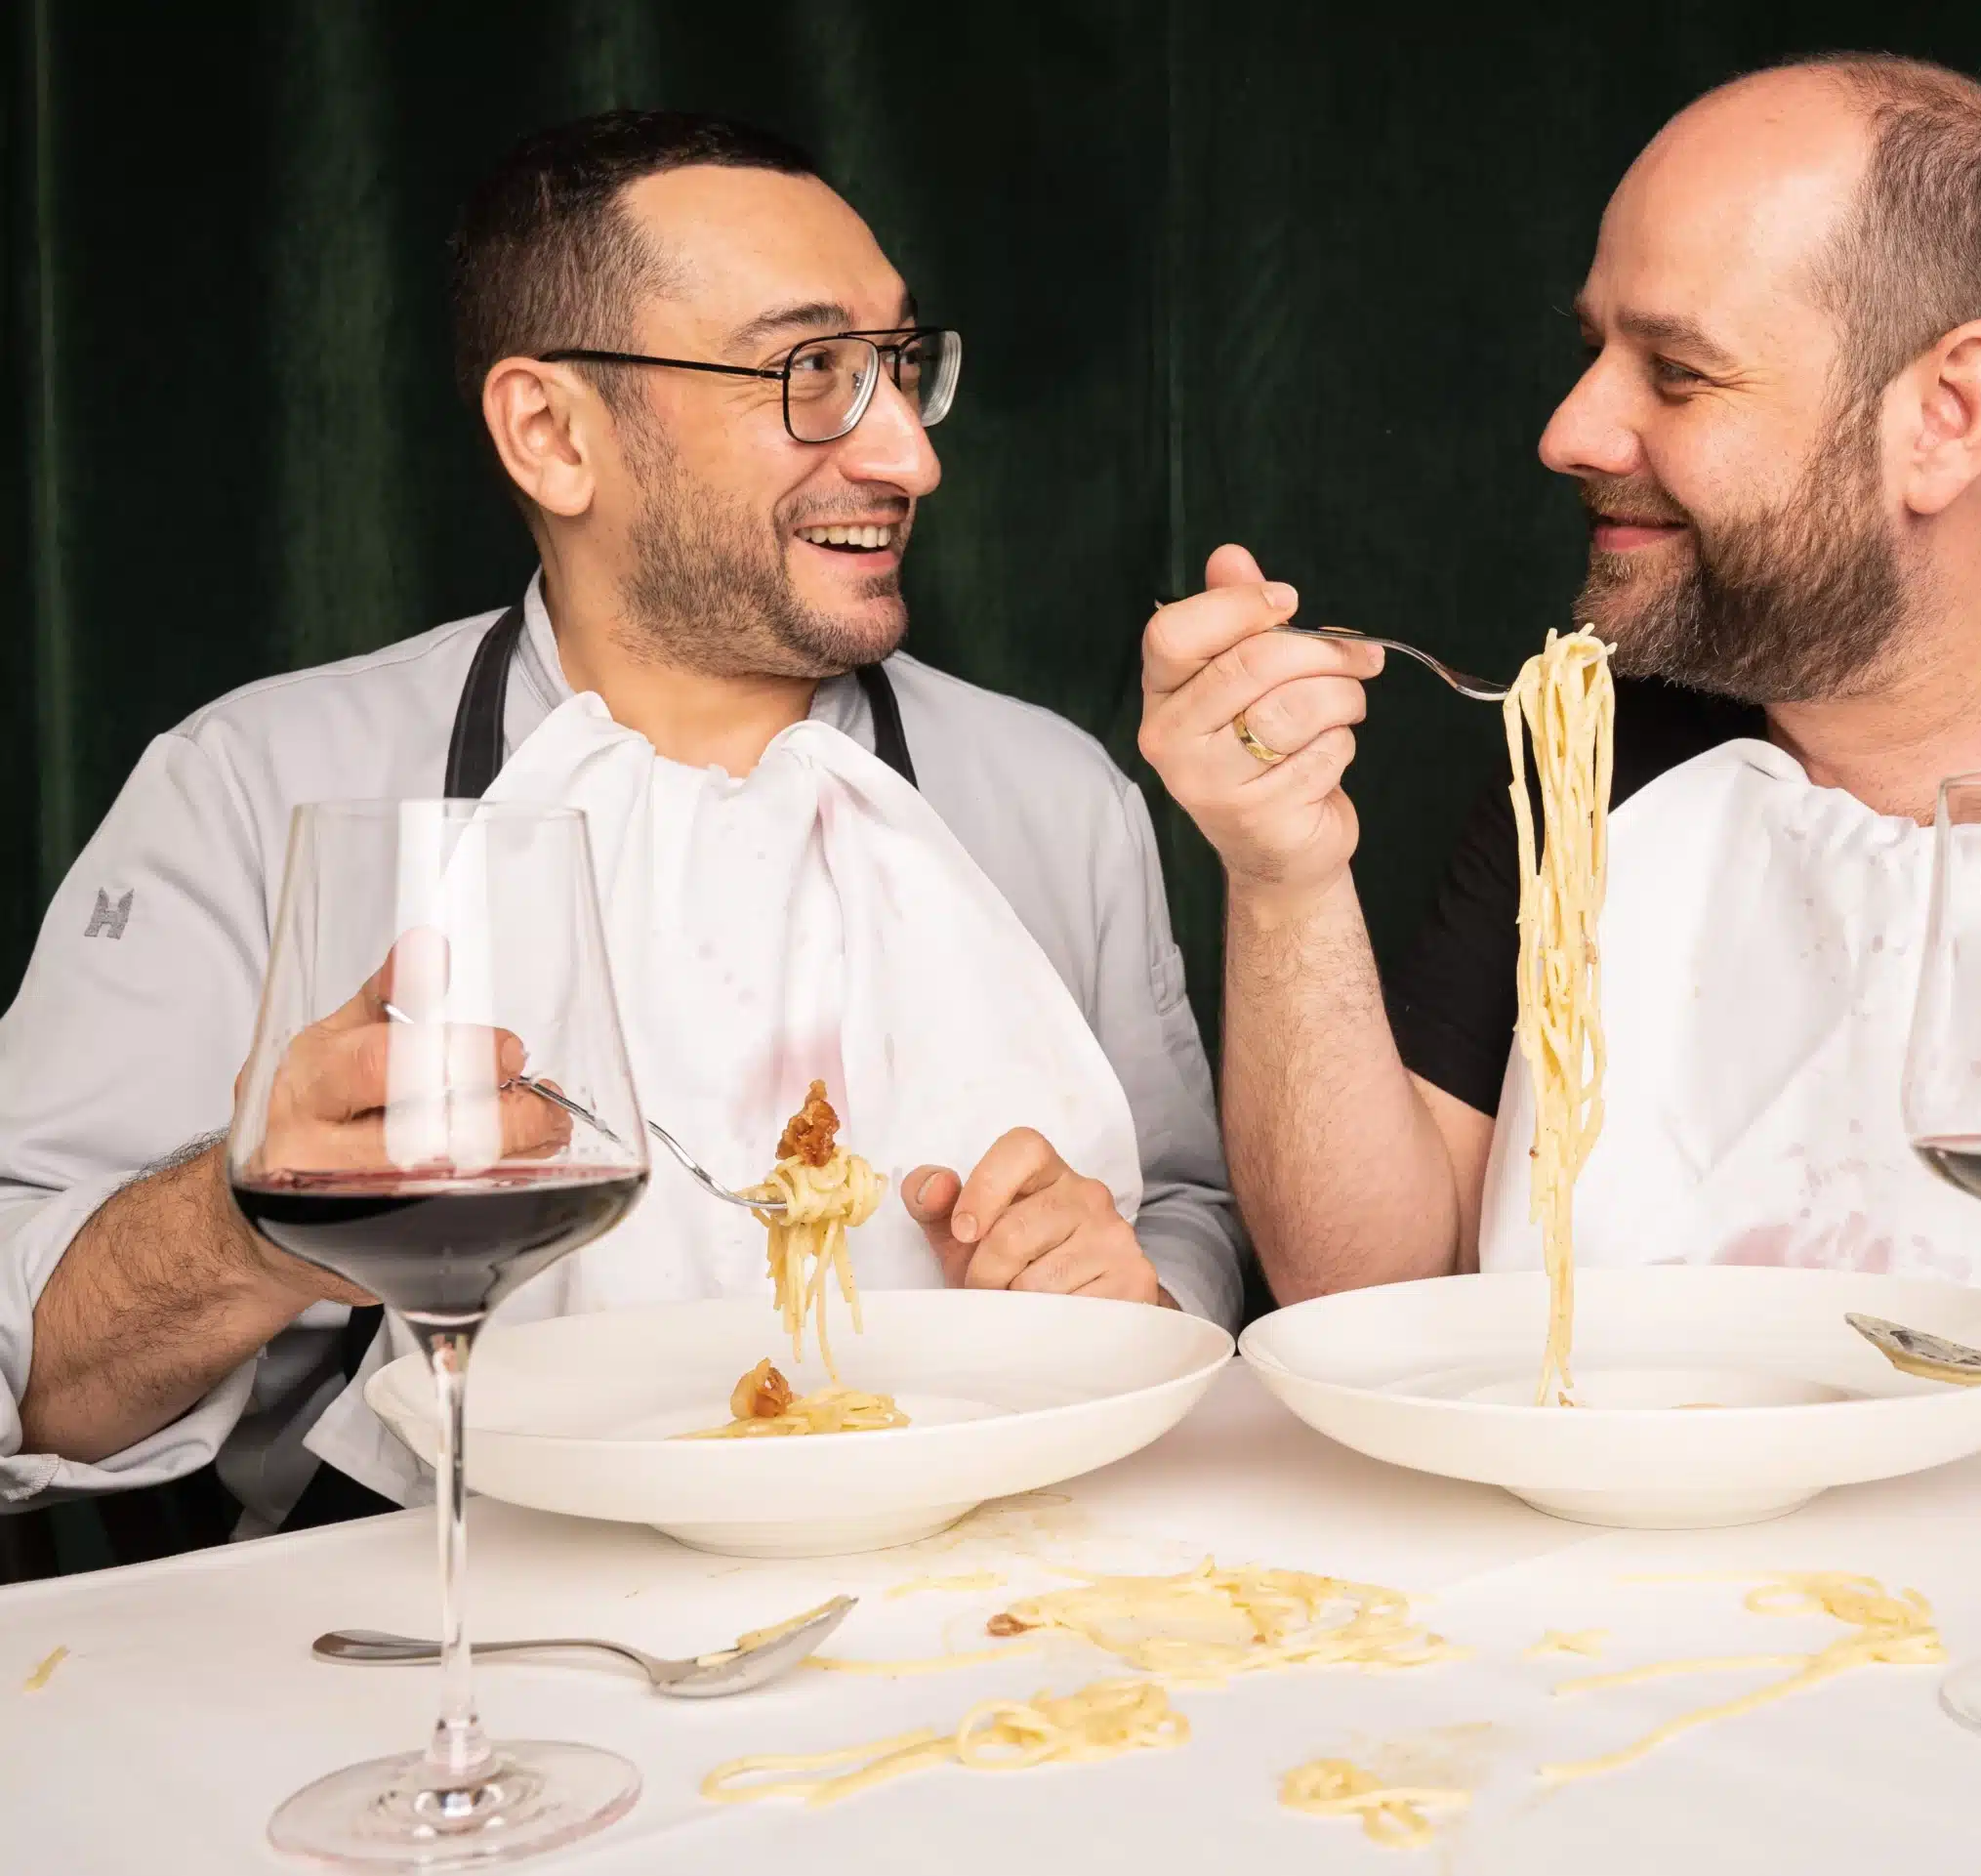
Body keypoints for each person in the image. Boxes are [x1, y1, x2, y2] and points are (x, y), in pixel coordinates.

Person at [1137, 55, 1981, 1533]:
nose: (1573, 431)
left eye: (1677, 370)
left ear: (1947, 413)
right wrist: (1281, 875)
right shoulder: (1597, 740)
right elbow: (1377, 1298)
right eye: (1595, 351)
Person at [0, 110, 1242, 1537]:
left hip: (970, 1641)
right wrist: (247, 1222)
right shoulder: (248, 793)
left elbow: (1187, 1225)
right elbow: (36, 1382)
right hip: (433, 1661)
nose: (908, 454)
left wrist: (1132, 1296)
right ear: (553, 435)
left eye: (899, 367)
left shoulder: (1054, 799)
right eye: (812, 372)